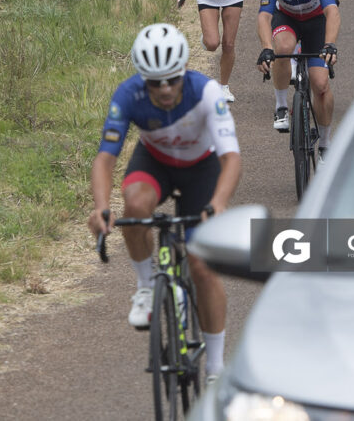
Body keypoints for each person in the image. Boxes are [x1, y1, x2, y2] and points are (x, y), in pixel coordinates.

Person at [87, 23, 241, 382]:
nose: (166, 89)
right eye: (155, 83)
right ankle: (145, 288)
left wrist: (218, 203)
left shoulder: (206, 92)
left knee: (202, 266)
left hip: (200, 169)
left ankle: (216, 367)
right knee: (135, 205)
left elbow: (230, 158)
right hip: (156, 162)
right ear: (144, 80)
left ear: (183, 70)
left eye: (172, 79)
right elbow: (105, 158)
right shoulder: (127, 95)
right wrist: (100, 207)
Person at [257, 0, 339, 161]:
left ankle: (324, 144)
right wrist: (266, 48)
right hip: (288, 20)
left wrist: (330, 44)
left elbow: (332, 11)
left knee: (320, 85)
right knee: (283, 48)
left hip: (315, 24)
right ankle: (282, 107)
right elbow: (264, 17)